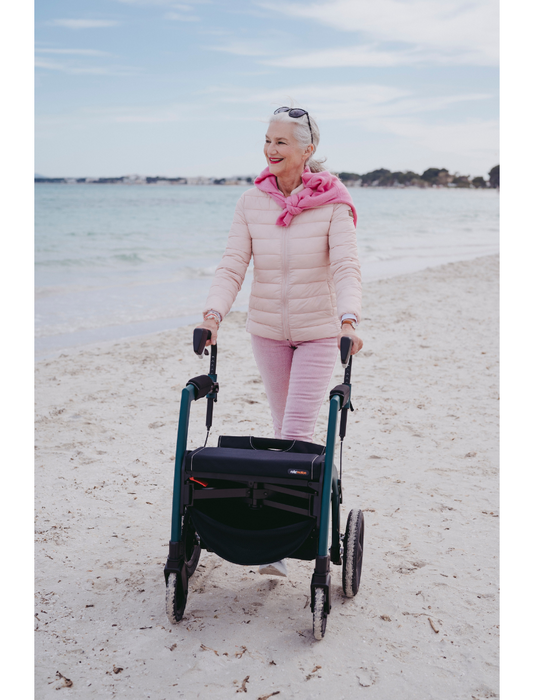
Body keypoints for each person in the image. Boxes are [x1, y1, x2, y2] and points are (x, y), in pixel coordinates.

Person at [196, 106, 363, 577]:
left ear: (307, 150)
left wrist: (349, 321)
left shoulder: (333, 202)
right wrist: (213, 316)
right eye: (267, 140)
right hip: (267, 331)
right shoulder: (252, 202)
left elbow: (346, 267)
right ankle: (296, 515)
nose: (270, 150)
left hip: (318, 333)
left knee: (294, 432)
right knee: (280, 425)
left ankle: (277, 543)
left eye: (281, 142)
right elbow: (232, 264)